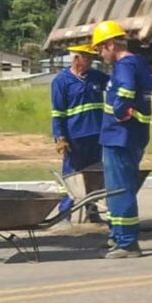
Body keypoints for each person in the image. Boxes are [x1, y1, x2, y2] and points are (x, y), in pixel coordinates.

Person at [92, 20, 152, 259]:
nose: (100, 55)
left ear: (111, 44)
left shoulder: (125, 65)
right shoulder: (136, 63)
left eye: (100, 49)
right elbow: (151, 83)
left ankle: (127, 242)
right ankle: (117, 237)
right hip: (128, 136)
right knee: (117, 189)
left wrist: (120, 111)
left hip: (120, 136)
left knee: (120, 190)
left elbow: (126, 91)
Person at [51, 44, 109, 223]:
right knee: (71, 176)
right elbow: (57, 112)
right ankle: (64, 214)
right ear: (76, 58)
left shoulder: (96, 77)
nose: (90, 61)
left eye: (91, 57)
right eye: (86, 57)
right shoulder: (61, 81)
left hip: (96, 136)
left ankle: (92, 211)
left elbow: (116, 85)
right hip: (74, 138)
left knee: (93, 175)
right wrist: (59, 136)